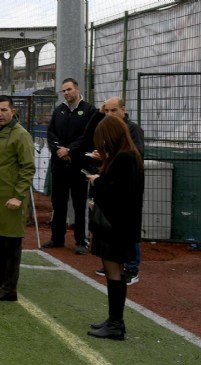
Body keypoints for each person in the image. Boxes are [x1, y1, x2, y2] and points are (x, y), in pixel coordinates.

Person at [85, 115, 144, 339]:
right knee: (114, 273)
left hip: (115, 226)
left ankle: (116, 323)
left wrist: (97, 181)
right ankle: (113, 320)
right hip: (120, 225)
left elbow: (117, 193)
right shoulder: (129, 156)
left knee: (114, 273)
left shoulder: (124, 158)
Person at [0, 95, 35, 301]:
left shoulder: (21, 135)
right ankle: (0, 279)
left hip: (11, 200)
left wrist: (18, 196)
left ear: (13, 111)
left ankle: (10, 288)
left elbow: (28, 169)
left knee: (11, 246)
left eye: (4, 110)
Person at [94, 96, 144, 285]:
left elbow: (135, 156)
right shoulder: (109, 128)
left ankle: (131, 267)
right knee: (113, 226)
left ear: (123, 110)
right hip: (115, 190)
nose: (109, 115)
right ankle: (115, 261)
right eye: (106, 111)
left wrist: (108, 160)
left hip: (126, 193)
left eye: (113, 111)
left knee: (127, 227)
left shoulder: (132, 131)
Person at [44, 78, 98, 255]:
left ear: (77, 89)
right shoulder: (59, 111)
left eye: (68, 90)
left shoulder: (90, 110)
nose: (66, 93)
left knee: (80, 204)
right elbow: (51, 133)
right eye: (64, 91)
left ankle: (81, 241)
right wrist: (59, 149)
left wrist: (70, 150)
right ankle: (57, 238)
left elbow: (88, 137)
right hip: (59, 166)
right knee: (58, 202)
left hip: (79, 166)